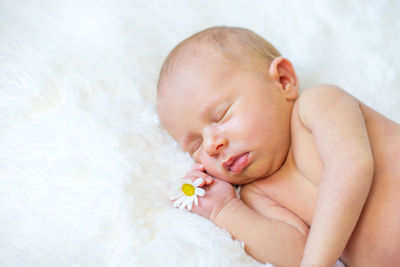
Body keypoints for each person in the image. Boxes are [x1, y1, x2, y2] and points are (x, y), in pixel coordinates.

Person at [156, 26, 400, 267]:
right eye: (195, 146)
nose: (211, 146)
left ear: (283, 81)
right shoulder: (258, 194)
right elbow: (296, 255)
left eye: (221, 115)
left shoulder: (318, 105)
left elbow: (351, 169)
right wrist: (224, 210)